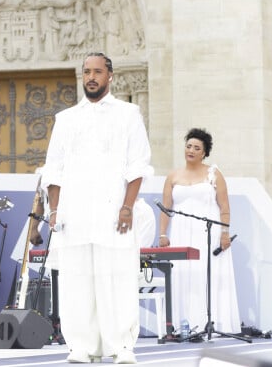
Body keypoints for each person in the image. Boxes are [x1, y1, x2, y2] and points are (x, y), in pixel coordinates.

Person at [40, 52, 152, 364]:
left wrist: (127, 207)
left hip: (113, 214)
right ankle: (80, 346)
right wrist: (54, 211)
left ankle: (121, 347)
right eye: (87, 71)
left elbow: (138, 164)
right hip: (73, 215)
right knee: (76, 282)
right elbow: (54, 170)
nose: (91, 77)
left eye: (97, 72)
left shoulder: (129, 114)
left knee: (117, 278)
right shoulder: (66, 119)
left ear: (110, 76)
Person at [158, 128, 241, 336]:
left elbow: (224, 207)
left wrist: (224, 233)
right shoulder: (173, 175)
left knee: (206, 276)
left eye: (197, 148)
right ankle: (183, 325)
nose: (191, 150)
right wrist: (162, 234)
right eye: (188, 146)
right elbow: (166, 208)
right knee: (182, 275)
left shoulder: (214, 174)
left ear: (204, 153)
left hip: (207, 234)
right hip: (180, 233)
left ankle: (211, 323)